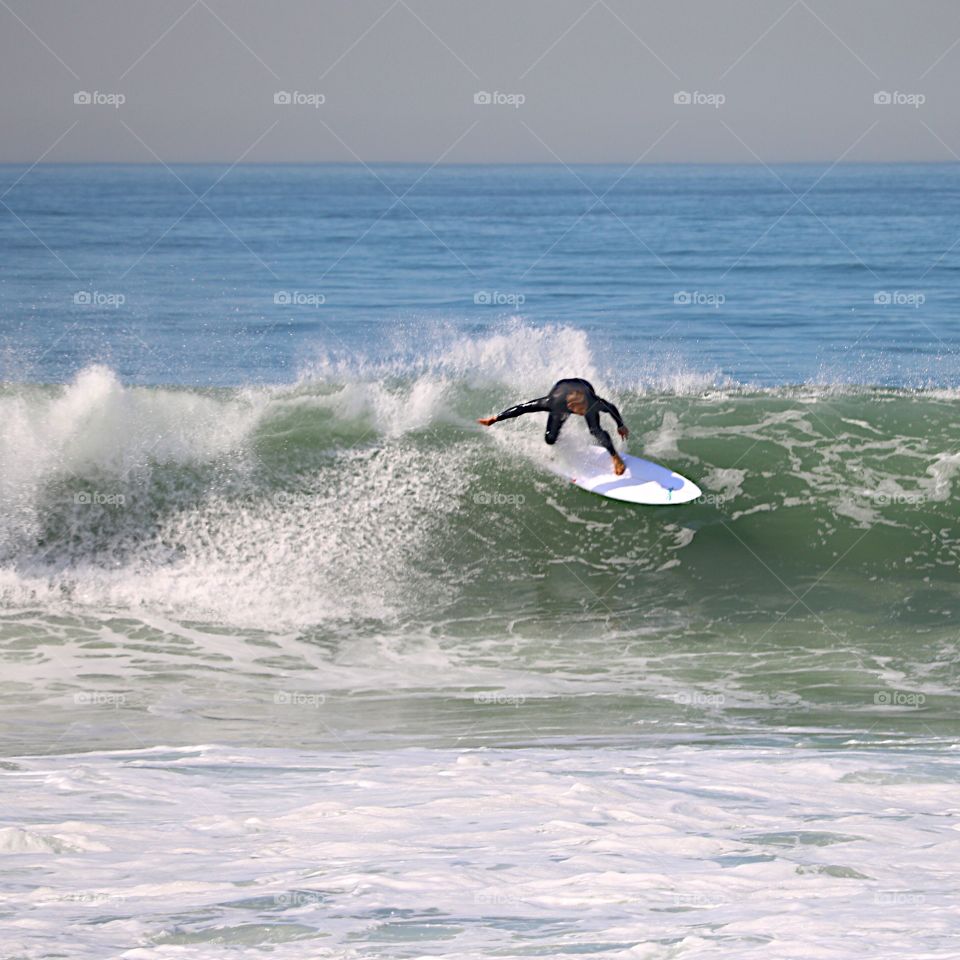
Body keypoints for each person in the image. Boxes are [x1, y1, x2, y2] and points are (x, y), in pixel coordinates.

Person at [478, 378, 629, 475]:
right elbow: (522, 408)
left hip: (583, 387)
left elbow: (611, 408)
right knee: (550, 438)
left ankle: (615, 457)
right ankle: (559, 443)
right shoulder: (553, 403)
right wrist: (496, 418)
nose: (584, 413)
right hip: (561, 388)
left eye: (585, 409)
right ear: (570, 407)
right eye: (581, 411)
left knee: (595, 430)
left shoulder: (592, 403)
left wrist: (620, 425)